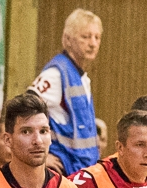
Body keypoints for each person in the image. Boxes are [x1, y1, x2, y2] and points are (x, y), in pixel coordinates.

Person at [30, 8, 102, 175]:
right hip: (62, 171)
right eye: (86, 37)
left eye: (97, 37)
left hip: (79, 170)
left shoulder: (80, 76)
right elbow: (23, 111)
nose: (93, 43)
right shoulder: (56, 73)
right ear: (67, 40)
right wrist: (41, 156)